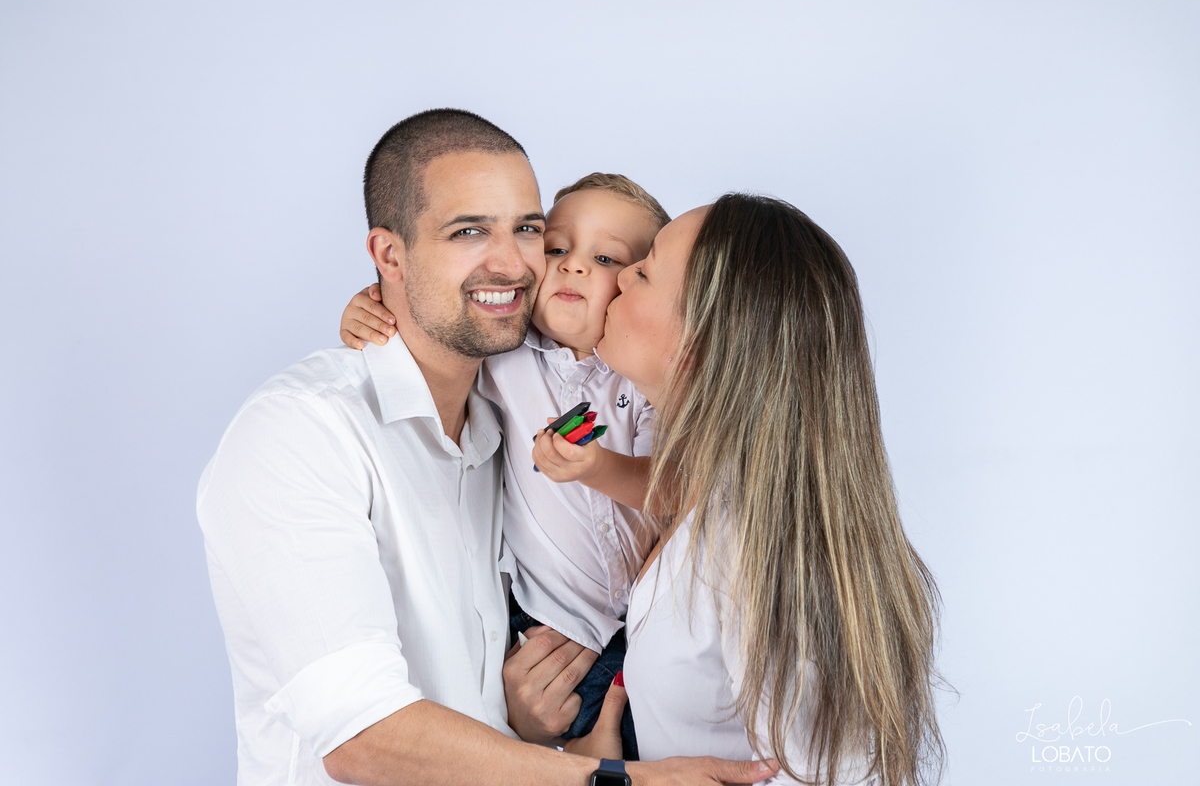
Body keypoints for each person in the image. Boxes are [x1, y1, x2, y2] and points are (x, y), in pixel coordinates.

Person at [197, 108, 774, 786]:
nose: (514, 263)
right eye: (468, 231)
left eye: (527, 229)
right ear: (389, 255)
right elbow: (359, 735)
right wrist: (617, 780)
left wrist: (528, 721)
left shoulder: (496, 426)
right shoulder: (301, 432)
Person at [579, 194, 946, 784]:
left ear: (701, 345)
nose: (619, 275)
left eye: (644, 271)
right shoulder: (709, 505)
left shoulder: (762, 551)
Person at [339, 173, 670, 758]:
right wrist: (369, 306)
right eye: (557, 249)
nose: (571, 267)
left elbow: (668, 491)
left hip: (650, 630)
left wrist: (593, 467)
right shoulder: (505, 353)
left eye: (604, 258)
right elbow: (434, 326)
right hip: (553, 627)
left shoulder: (643, 382)